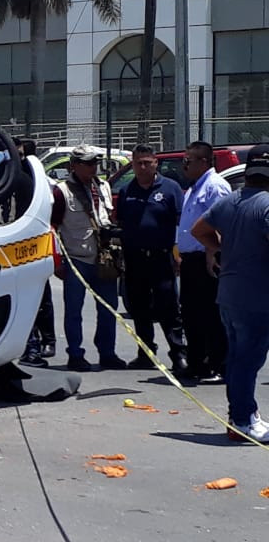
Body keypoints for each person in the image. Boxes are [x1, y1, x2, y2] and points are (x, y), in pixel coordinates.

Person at [190, 144, 269, 442]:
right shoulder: (266, 205)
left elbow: (198, 230)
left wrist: (220, 249)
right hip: (257, 296)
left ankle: (240, 416)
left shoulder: (230, 202)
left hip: (229, 293)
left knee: (237, 358)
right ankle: (243, 420)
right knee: (248, 360)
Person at [51, 144, 127, 371]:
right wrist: (57, 261)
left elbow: (109, 217)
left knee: (109, 308)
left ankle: (107, 353)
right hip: (77, 258)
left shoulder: (103, 187)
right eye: (88, 163)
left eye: (95, 162)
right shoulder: (62, 191)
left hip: (104, 257)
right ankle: (75, 354)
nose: (93, 167)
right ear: (74, 166)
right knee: (74, 311)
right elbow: (52, 228)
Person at [115, 145, 188, 373]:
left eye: (147, 162)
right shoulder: (127, 191)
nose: (143, 167)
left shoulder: (170, 188)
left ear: (156, 163)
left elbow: (181, 223)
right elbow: (121, 223)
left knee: (169, 308)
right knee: (139, 308)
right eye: (138, 163)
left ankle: (179, 354)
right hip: (135, 259)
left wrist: (177, 254)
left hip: (162, 258)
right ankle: (145, 353)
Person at [177, 140, 232, 384]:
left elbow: (221, 223)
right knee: (191, 313)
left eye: (188, 160)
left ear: (203, 161)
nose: (184, 165)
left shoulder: (214, 186)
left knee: (211, 314)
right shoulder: (193, 188)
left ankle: (217, 365)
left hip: (206, 259)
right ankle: (197, 363)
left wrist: (212, 252)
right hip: (190, 260)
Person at [16, 138, 58, 367]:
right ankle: (31, 345)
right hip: (12, 248)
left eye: (20, 156)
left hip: (35, 246)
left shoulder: (38, 182)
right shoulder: (6, 180)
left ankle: (46, 341)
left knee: (42, 297)